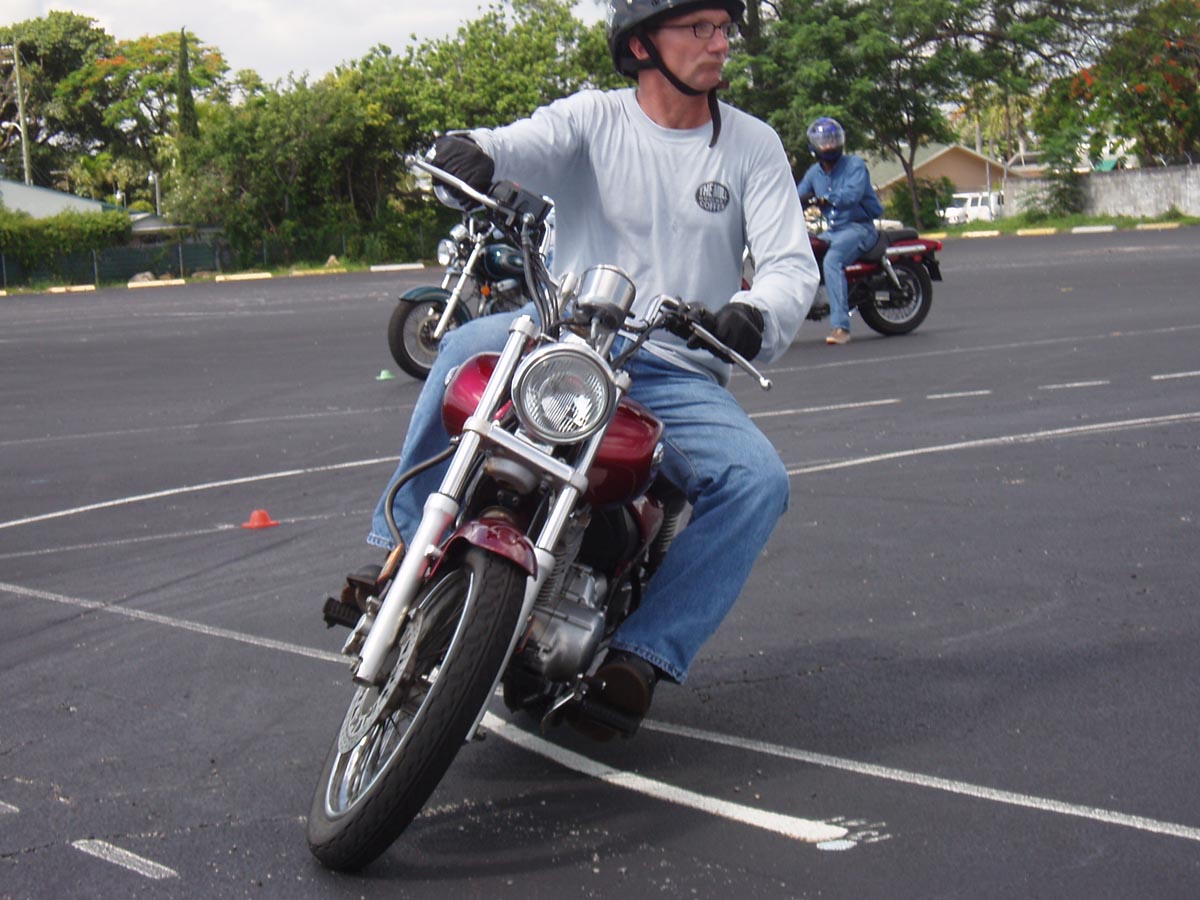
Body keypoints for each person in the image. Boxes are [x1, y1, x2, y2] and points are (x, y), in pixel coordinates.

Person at [361, 0, 819, 737]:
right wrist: (468, 151)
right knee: (458, 351)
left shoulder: (752, 145)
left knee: (757, 481)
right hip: (560, 332)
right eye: (698, 28)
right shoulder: (592, 119)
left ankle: (644, 655)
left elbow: (790, 266)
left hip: (673, 363)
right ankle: (400, 551)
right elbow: (513, 145)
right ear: (642, 45)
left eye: (723, 28)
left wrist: (753, 313)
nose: (719, 42)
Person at [795, 117, 884, 345]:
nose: (829, 145)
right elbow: (797, 195)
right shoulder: (814, 173)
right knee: (803, 254)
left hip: (860, 228)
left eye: (833, 140)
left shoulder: (854, 165)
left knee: (832, 261)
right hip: (834, 231)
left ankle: (841, 327)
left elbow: (852, 195)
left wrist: (826, 198)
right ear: (814, 146)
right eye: (824, 141)